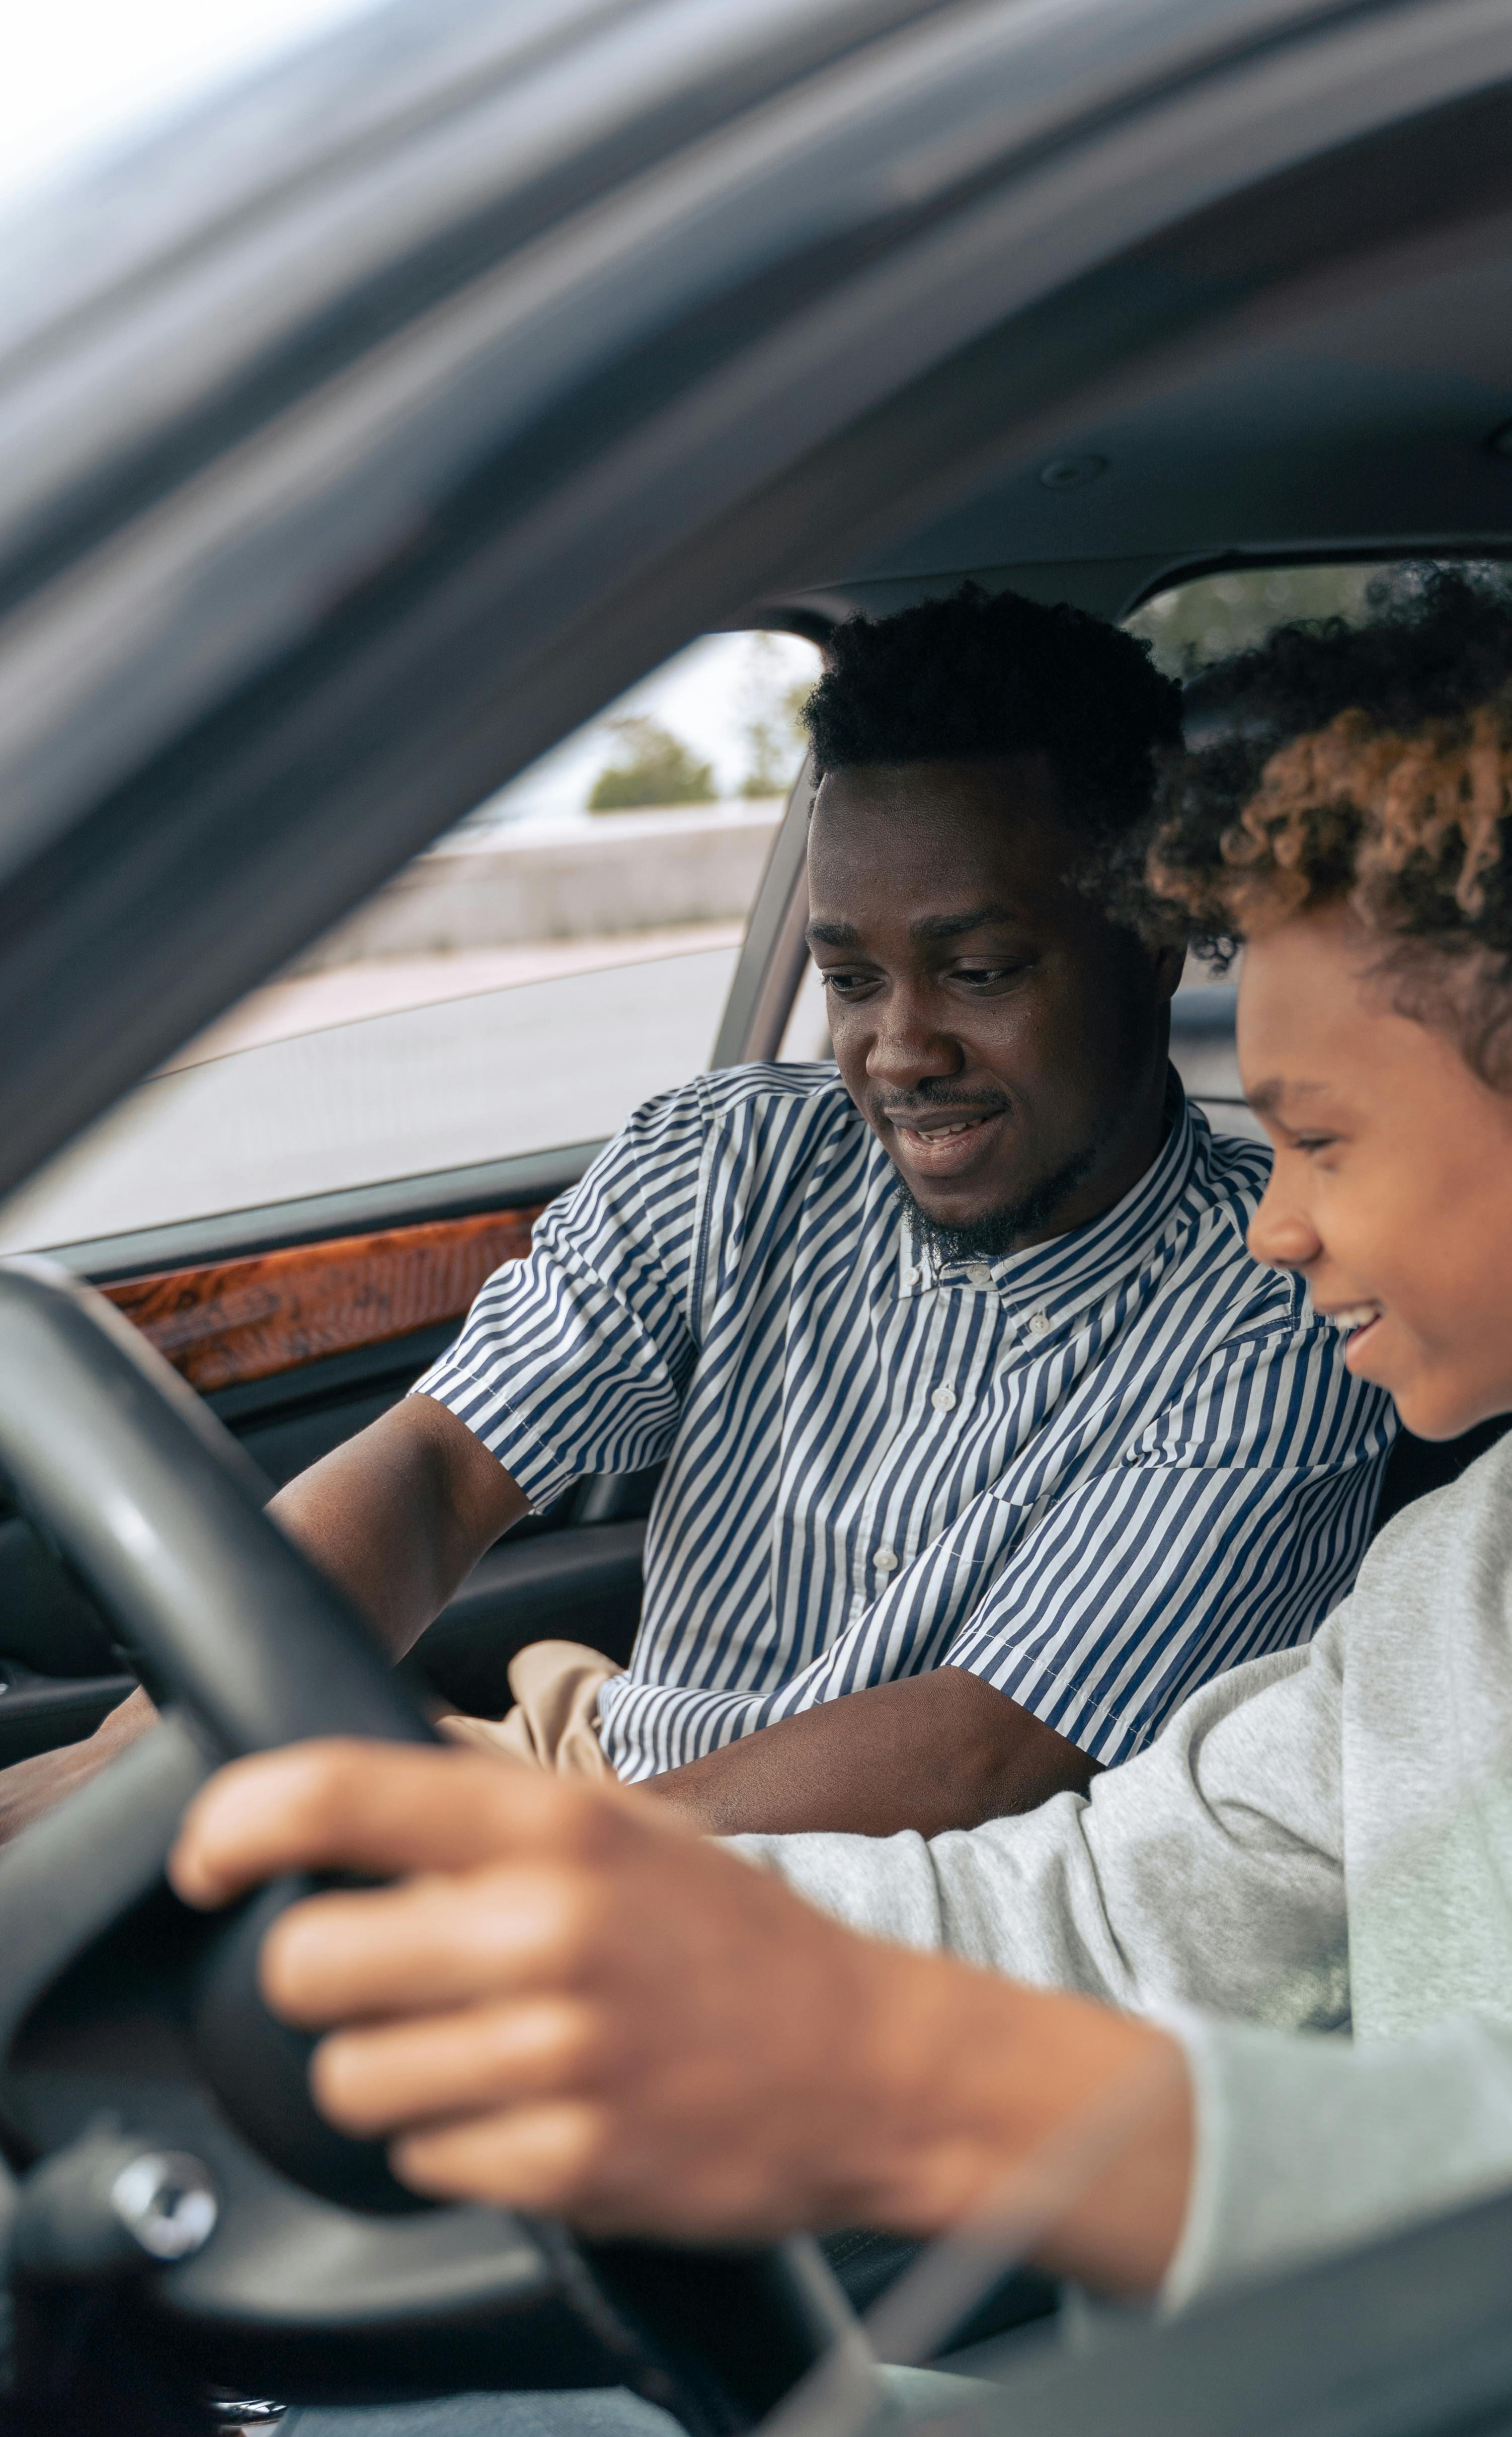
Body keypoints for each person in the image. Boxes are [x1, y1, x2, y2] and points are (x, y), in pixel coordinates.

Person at [176, 564, 1512, 2437]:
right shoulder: (1478, 1556)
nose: (1278, 1226)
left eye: (1321, 1139)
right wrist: (582, 1889)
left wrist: (923, 2076)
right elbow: (1092, 1899)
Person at [0, 587, 1390, 1848]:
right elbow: (432, 1477)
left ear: (1147, 950)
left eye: (976, 971)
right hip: (588, 1781)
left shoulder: (1284, 1302)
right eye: (850, 983)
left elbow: (984, 1757)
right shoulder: (729, 1158)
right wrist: (156, 1753)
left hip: (875, 1922)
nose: (899, 1050)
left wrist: (531, 1871)